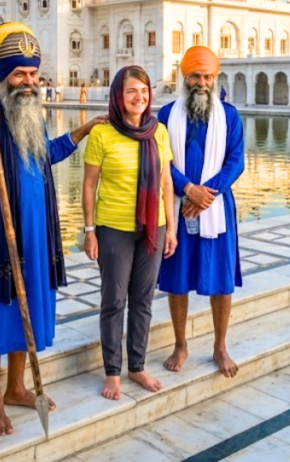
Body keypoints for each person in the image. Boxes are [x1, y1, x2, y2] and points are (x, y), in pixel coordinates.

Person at [0, 23, 106, 436]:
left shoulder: (32, 114)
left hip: (35, 238)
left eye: (34, 74)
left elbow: (44, 155)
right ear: (2, 77)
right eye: (20, 74)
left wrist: (83, 131)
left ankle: (17, 387)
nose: (30, 82)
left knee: (25, 310)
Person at [83, 65, 176, 401]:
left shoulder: (159, 132)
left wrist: (172, 228)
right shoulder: (102, 134)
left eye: (144, 90)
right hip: (113, 230)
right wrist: (89, 230)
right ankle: (112, 372)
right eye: (131, 91)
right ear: (118, 98)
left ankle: (136, 366)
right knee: (114, 301)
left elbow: (166, 182)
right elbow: (89, 185)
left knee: (143, 301)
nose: (139, 97)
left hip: (153, 227)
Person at [157, 46, 245, 378]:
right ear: (185, 77)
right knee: (177, 281)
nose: (201, 82)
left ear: (214, 78)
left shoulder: (230, 116)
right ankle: (181, 345)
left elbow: (236, 161)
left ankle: (220, 346)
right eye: (195, 75)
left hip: (216, 209)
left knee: (221, 282)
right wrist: (186, 189)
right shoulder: (166, 115)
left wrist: (206, 194)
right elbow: (160, 160)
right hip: (178, 208)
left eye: (207, 76)